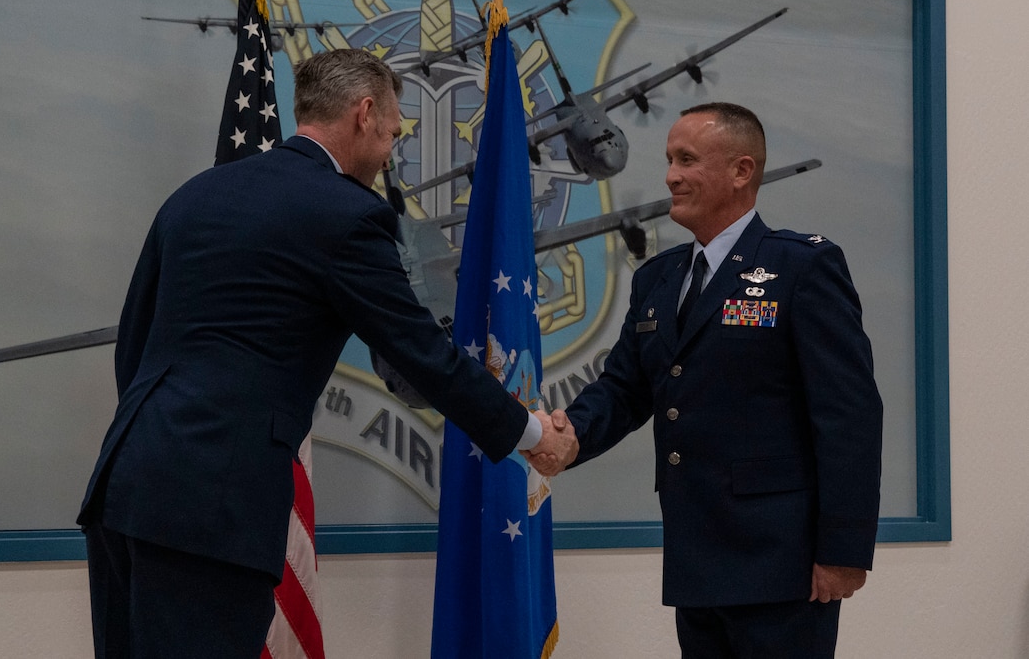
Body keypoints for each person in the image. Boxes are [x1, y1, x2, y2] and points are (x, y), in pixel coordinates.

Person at [77, 49, 577, 659]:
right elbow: (421, 355)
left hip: (124, 484)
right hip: (213, 506)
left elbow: (134, 343)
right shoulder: (347, 214)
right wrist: (530, 434)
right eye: (394, 132)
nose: (391, 149)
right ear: (365, 114)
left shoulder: (196, 195)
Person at [536, 102, 883, 658]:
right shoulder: (658, 277)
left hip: (782, 561)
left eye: (687, 160)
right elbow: (625, 388)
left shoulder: (800, 267)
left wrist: (844, 549)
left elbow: (849, 414)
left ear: (742, 171)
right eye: (670, 159)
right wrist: (569, 433)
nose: (671, 175)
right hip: (696, 554)